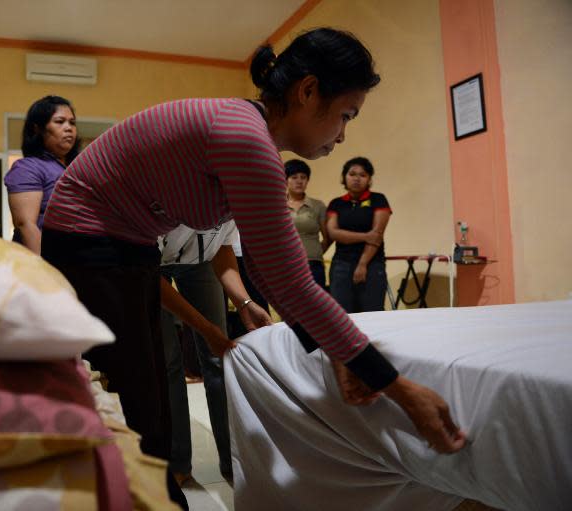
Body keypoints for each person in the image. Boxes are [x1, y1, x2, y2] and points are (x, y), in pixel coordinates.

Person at [40, 27, 466, 508]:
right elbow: (290, 281)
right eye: (345, 115)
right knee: (143, 415)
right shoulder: (246, 138)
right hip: (88, 242)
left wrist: (335, 353)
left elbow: (266, 267)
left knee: (151, 407)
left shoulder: (247, 133)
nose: (343, 134)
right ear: (307, 91)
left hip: (123, 244)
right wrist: (400, 389)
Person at [158, 221, 272, 484]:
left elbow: (222, 248)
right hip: (149, 265)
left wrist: (244, 303)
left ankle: (233, 459)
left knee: (219, 360)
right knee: (166, 362)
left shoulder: (233, 198)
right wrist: (207, 329)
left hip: (201, 261)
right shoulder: (166, 192)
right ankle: (176, 461)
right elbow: (148, 277)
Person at [4, 95, 79, 253]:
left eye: (72, 122)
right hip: (40, 265)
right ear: (38, 128)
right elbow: (26, 224)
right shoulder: (27, 168)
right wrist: (43, 271)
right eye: (59, 121)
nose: (69, 128)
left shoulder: (74, 169)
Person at [326, 156, 389, 313]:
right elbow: (333, 233)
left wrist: (362, 265)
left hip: (372, 264)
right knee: (342, 315)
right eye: (352, 174)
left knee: (373, 313)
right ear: (344, 177)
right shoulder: (336, 203)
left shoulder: (378, 199)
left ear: (369, 179)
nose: (357, 179)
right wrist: (365, 236)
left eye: (362, 175)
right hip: (341, 265)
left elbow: (377, 234)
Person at [285, 158, 331, 289]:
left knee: (316, 307)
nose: (299, 181)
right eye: (294, 177)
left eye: (303, 177)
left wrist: (315, 253)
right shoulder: (277, 206)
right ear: (285, 180)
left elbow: (328, 237)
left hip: (313, 265)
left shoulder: (318, 206)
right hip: (287, 266)